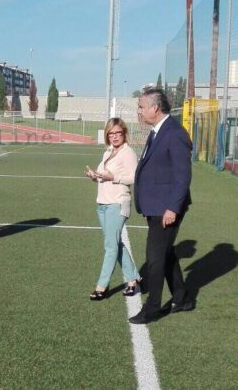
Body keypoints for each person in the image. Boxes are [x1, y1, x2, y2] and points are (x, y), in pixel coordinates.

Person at [129, 88, 195, 325]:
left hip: (166, 208)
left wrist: (172, 208)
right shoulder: (157, 131)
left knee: (155, 258)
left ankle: (152, 308)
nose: (139, 111)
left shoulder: (174, 133)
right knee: (165, 253)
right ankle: (182, 297)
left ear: (155, 108)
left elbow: (182, 176)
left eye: (141, 106)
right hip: (156, 206)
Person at [85, 118, 141, 301]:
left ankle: (102, 286)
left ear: (124, 133)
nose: (115, 136)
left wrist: (114, 177)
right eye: (111, 133)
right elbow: (105, 176)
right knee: (115, 244)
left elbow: (134, 177)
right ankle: (133, 279)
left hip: (117, 204)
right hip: (103, 203)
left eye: (118, 133)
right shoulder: (108, 151)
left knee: (110, 246)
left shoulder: (128, 153)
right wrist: (95, 176)